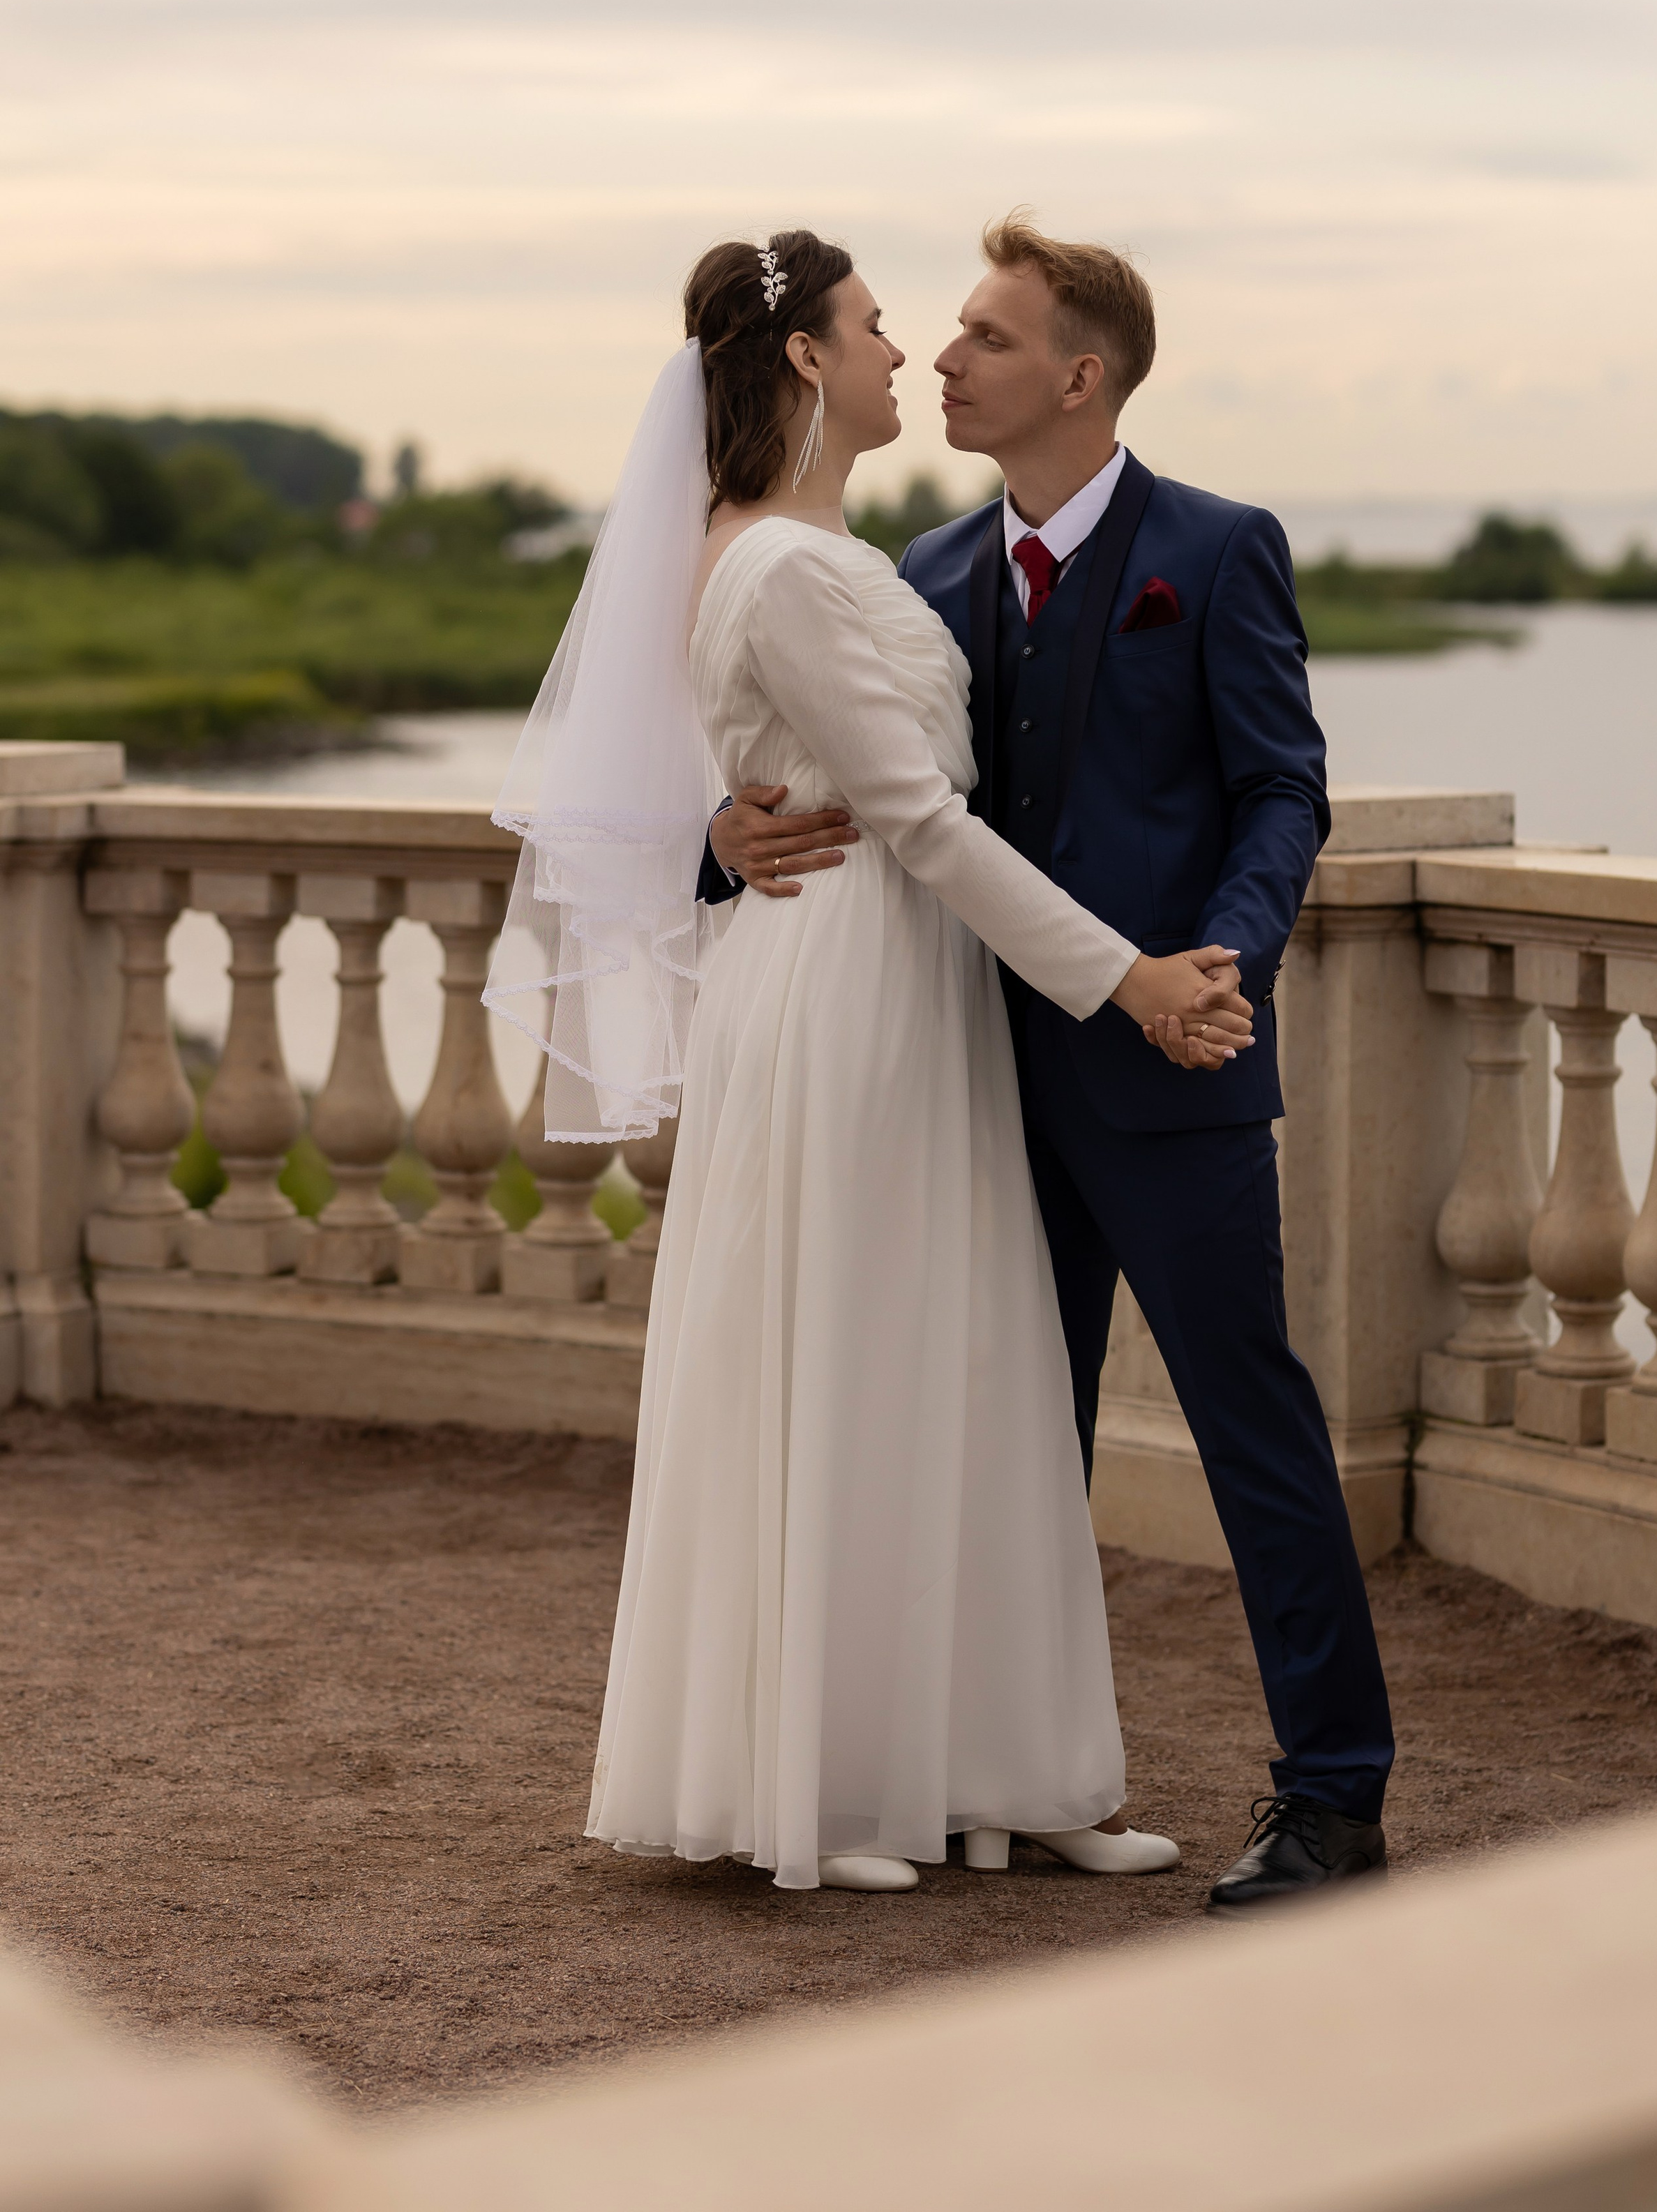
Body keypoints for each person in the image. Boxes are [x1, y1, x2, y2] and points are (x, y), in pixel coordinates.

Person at [487, 230, 1252, 1893]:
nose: (907, 353)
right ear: (805, 366)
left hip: (922, 994)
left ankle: (1003, 1775)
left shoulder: (853, 553)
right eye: (876, 328)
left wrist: (724, 804)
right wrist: (1122, 977)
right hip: (847, 986)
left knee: (957, 1372)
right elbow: (910, 818)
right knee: (847, 1365)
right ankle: (824, 1791)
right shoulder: (775, 564)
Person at [707, 217, 1395, 1912]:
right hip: (957, 1083)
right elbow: (837, 794)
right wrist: (720, 844)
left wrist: (1218, 961)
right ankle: (984, 1778)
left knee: (1254, 1429)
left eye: (987, 338)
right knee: (1003, 1439)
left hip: (1171, 1069)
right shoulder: (917, 577)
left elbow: (1280, 790)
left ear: (1077, 376)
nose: (943, 359)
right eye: (932, 333)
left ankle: (1331, 1796)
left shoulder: (1218, 551)